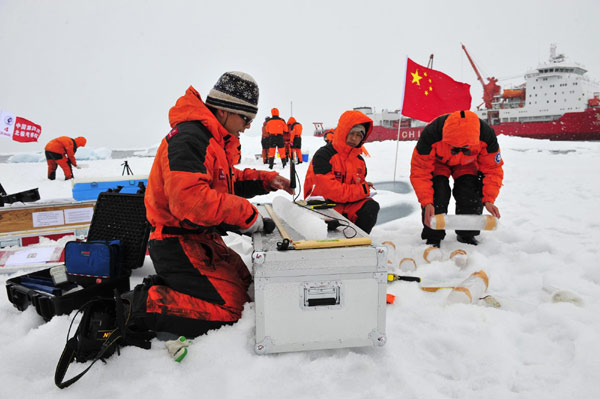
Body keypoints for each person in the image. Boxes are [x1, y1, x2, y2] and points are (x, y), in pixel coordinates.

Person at [142, 71, 294, 338]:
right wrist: (248, 215)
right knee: (232, 310)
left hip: (201, 239)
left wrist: (266, 180)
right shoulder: (190, 138)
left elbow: (226, 179)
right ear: (225, 110)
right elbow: (189, 201)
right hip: (177, 243)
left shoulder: (210, 138)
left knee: (247, 287)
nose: (248, 126)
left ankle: (179, 291)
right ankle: (141, 306)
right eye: (246, 118)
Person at [410, 110, 504, 247]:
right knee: (438, 194)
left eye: (464, 147)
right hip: (438, 164)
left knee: (469, 193)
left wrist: (489, 199)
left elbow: (492, 169)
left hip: (468, 164)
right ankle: (433, 236)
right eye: (454, 147)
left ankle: (467, 234)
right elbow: (420, 171)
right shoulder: (431, 134)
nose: (459, 149)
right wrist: (427, 202)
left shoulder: (487, 136)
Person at [304, 110, 380, 234]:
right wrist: (362, 190)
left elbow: (354, 188)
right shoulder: (324, 155)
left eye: (359, 135)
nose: (354, 138)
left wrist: (363, 186)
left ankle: (359, 240)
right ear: (344, 131)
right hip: (323, 206)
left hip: (347, 206)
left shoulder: (359, 161)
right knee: (328, 227)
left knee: (370, 207)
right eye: (352, 133)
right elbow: (330, 191)